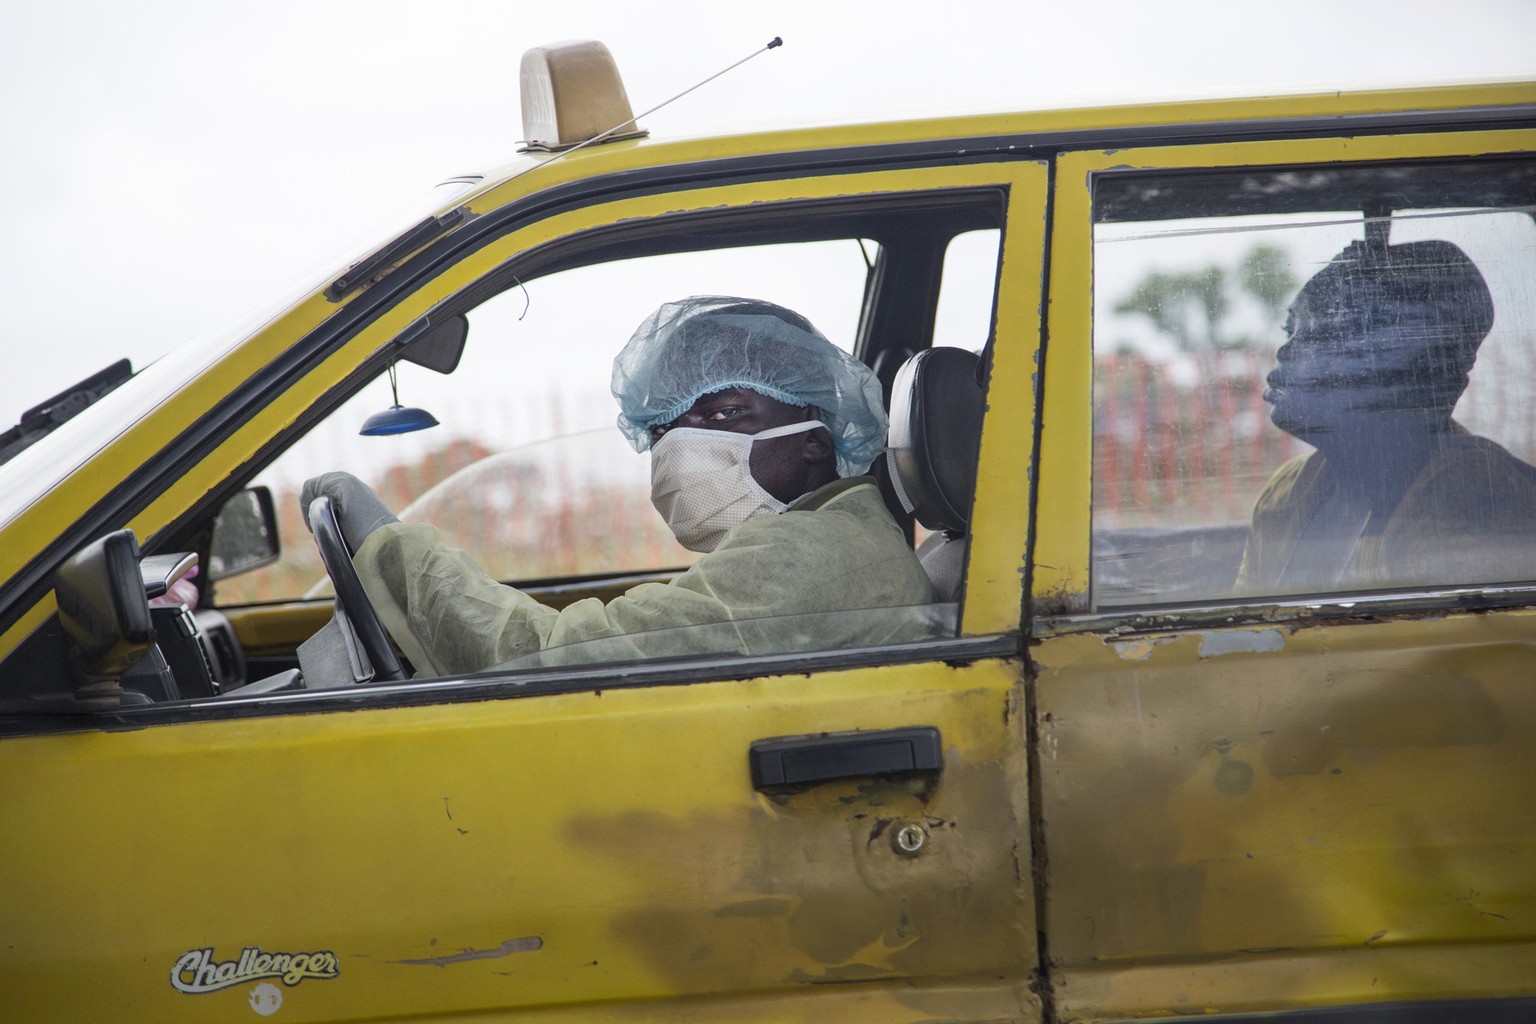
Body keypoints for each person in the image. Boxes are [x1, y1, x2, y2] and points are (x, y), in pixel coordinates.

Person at [301, 296, 938, 677]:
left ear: (814, 440)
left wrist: (394, 551)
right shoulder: (838, 536)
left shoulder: (804, 562)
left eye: (722, 415)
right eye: (666, 427)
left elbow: (553, 660)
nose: (685, 445)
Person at [1235, 238, 1536, 594]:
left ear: (1396, 367)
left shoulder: (1479, 497)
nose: (1285, 350)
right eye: (1291, 330)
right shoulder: (1288, 491)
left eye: (1321, 335)